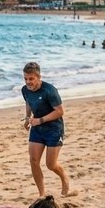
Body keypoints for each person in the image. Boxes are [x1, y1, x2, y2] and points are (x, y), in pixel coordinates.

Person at [22, 62, 70, 197]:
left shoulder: (50, 90)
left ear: (38, 77)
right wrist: (27, 117)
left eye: (31, 79)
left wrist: (40, 120)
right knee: (33, 161)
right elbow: (28, 102)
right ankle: (42, 194)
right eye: (25, 78)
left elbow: (60, 111)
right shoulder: (24, 90)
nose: (28, 82)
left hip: (54, 129)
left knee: (51, 164)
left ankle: (64, 178)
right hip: (37, 129)